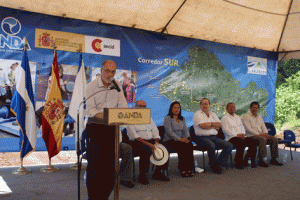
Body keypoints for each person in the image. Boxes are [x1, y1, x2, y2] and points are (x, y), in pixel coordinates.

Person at [85, 60, 128, 200]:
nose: (110, 74)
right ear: (101, 70)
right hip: (96, 129)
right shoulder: (91, 86)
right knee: (95, 169)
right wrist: (104, 116)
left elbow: (123, 107)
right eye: (107, 71)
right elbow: (90, 108)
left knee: (110, 169)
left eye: (113, 72)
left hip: (112, 130)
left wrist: (113, 116)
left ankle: (103, 197)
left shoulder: (117, 86)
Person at [127, 100, 169, 185]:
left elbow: (155, 131)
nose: (142, 108)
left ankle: (158, 172)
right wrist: (149, 144)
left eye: (144, 106)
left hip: (151, 141)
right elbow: (135, 136)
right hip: (137, 142)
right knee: (146, 150)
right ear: (135, 106)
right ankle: (142, 175)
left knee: (165, 148)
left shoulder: (149, 118)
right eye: (140, 106)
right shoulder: (130, 118)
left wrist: (156, 142)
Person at [193, 98, 233, 174]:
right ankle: (213, 166)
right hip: (201, 138)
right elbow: (202, 126)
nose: (204, 106)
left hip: (213, 137)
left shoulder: (213, 114)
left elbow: (219, 124)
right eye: (202, 104)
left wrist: (209, 125)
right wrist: (213, 125)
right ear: (200, 105)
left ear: (209, 105)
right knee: (211, 145)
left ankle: (217, 163)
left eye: (206, 104)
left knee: (229, 145)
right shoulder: (197, 114)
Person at [243, 102, 283, 167]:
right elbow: (248, 129)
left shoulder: (259, 117)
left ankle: (274, 159)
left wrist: (266, 133)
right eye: (253, 107)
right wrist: (259, 134)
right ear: (250, 108)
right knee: (262, 139)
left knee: (274, 139)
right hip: (251, 136)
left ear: (258, 109)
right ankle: (261, 160)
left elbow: (264, 127)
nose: (255, 109)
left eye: (256, 108)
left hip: (260, 135)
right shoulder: (246, 116)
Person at [221, 102, 258, 169]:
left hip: (241, 136)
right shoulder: (224, 118)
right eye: (230, 107)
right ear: (226, 109)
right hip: (231, 137)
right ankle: (238, 162)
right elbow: (225, 130)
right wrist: (237, 135)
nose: (232, 108)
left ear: (235, 109)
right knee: (241, 143)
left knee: (253, 142)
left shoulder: (237, 117)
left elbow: (242, 127)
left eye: (233, 107)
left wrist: (242, 134)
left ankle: (249, 160)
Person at [163, 101, 195, 177]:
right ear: (171, 109)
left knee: (189, 145)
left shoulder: (182, 118)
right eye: (175, 107)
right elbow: (169, 132)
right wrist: (180, 139)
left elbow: (185, 130)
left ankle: (189, 168)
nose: (177, 109)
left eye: (178, 108)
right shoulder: (168, 118)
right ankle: (183, 169)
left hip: (181, 140)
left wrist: (187, 138)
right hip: (170, 140)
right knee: (182, 146)